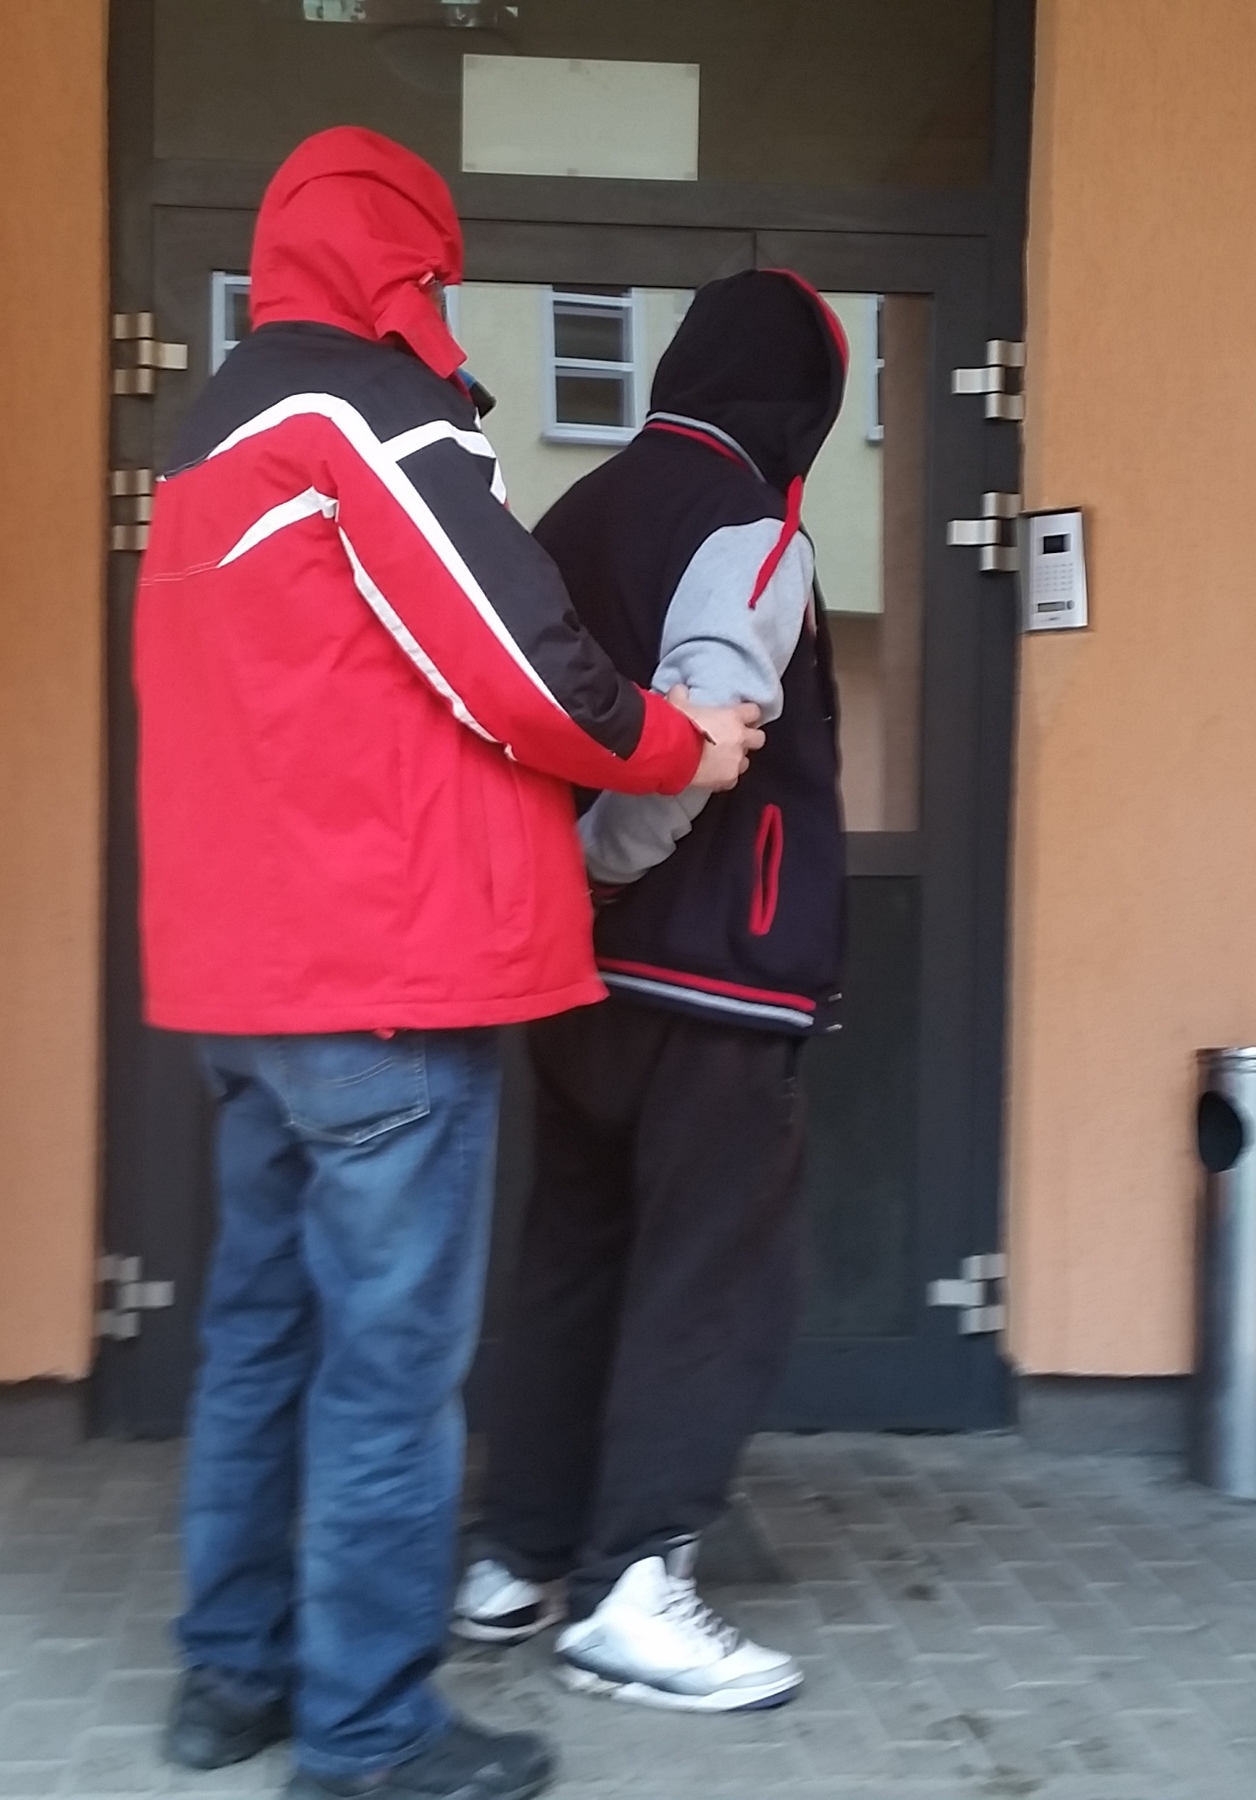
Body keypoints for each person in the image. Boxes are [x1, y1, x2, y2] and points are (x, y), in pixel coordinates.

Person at [130, 127, 763, 1800]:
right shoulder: (370, 412)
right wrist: (679, 743)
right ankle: (367, 1734)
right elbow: (520, 666)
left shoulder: (204, 443)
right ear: (403, 264)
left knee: (261, 1337)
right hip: (385, 984)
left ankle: (232, 1677)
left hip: (247, 986)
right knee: (391, 1374)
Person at [454, 270, 851, 1713]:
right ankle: (637, 1586)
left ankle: (517, 1555)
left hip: (579, 984)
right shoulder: (750, 530)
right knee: (713, 1275)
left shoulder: (575, 515)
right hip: (710, 974)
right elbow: (704, 725)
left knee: (575, 1252)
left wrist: (563, 893)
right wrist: (606, 872)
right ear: (800, 403)